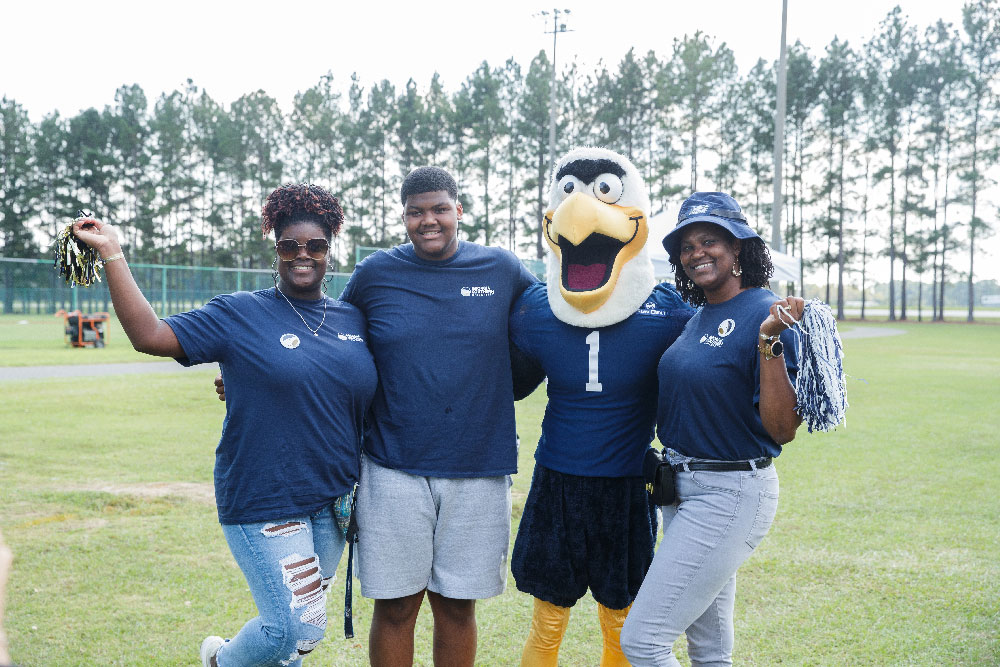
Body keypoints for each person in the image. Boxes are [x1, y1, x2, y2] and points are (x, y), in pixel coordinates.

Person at [71, 184, 377, 667]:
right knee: (287, 627)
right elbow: (151, 336)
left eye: (315, 246)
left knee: (304, 635)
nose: (303, 255)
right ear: (274, 250)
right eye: (288, 246)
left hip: (333, 500)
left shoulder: (353, 319)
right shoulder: (240, 313)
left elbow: (354, 394)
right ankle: (220, 661)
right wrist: (112, 252)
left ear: (329, 249)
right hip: (265, 495)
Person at [341, 166, 537, 666]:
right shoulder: (375, 274)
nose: (429, 221)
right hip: (391, 465)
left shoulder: (501, 269)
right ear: (403, 217)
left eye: (439, 209)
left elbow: (551, 327)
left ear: (459, 212)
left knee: (455, 606)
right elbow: (331, 342)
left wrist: (513, 386)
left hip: (477, 465)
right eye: (416, 212)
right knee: (397, 605)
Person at [508, 146, 694, 667]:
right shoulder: (536, 309)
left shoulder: (667, 312)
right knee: (548, 620)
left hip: (625, 483)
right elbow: (505, 373)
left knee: (621, 619)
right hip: (556, 481)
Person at [620, 191, 804, 666]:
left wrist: (769, 343)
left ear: (739, 247)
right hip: (679, 488)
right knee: (709, 649)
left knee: (643, 641)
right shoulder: (698, 314)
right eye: (687, 246)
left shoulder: (771, 315)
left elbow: (782, 428)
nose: (697, 253)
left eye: (710, 241)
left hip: (731, 493)